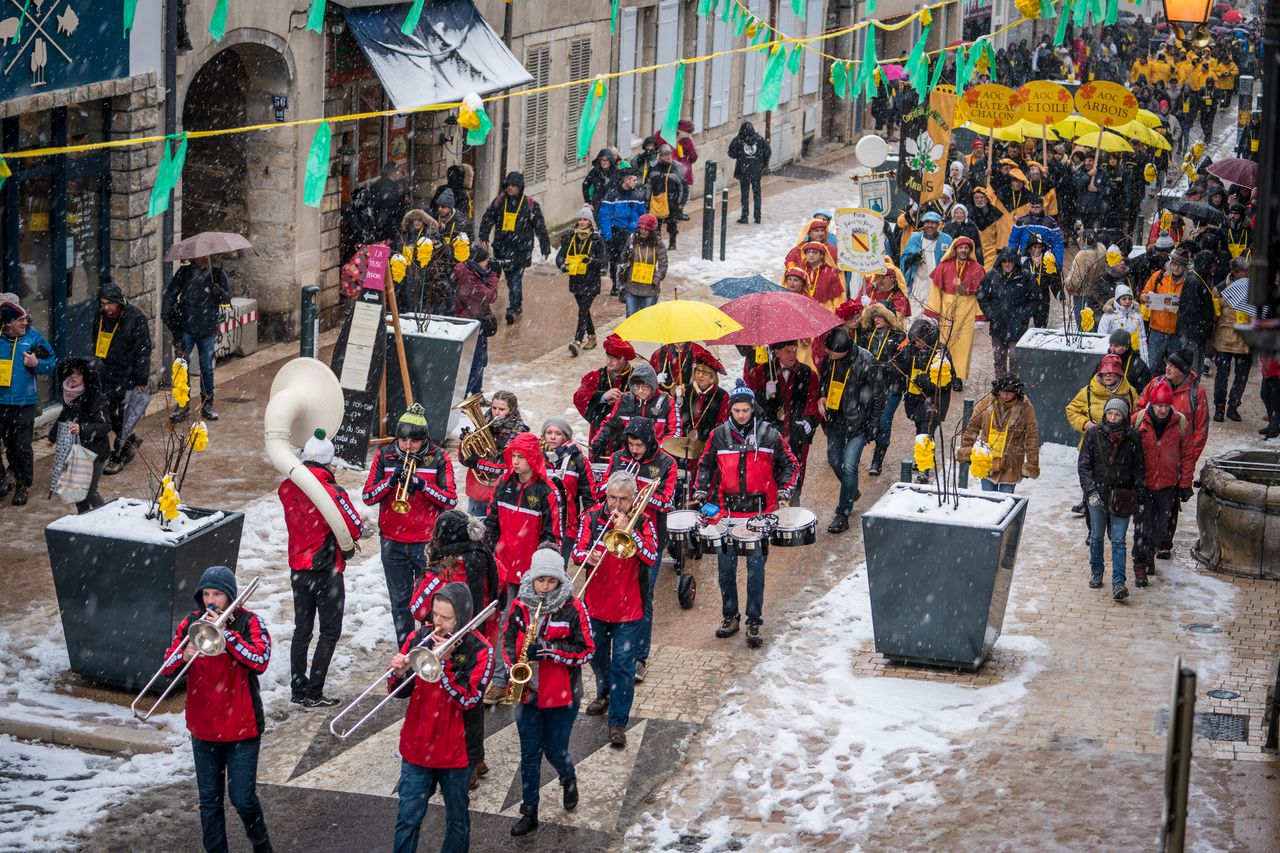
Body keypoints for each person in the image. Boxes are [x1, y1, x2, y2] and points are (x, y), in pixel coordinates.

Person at [162, 566, 273, 853]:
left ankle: (260, 843)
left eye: (218, 594)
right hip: (204, 727)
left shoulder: (250, 623)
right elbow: (166, 668)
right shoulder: (192, 624)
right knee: (209, 801)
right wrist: (182, 654)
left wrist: (228, 638)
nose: (211, 601)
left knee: (242, 798)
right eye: (207, 594)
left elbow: (260, 660)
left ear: (230, 597)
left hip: (242, 727)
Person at [693, 382, 797, 648]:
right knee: (725, 570)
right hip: (727, 513)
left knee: (755, 570)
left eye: (745, 410)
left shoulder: (769, 434)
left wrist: (785, 490)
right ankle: (730, 616)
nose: (740, 415)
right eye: (736, 410)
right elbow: (704, 463)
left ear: (753, 409)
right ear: (730, 410)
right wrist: (702, 489)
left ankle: (754, 621)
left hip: (759, 515)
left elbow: (790, 464)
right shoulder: (718, 435)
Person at [389, 582, 491, 853]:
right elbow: (399, 692)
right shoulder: (419, 637)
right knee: (407, 819)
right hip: (418, 746)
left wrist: (443, 666)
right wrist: (399, 674)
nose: (437, 622)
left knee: (457, 821)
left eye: (446, 618)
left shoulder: (480, 651)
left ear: (462, 617)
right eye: (435, 614)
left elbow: (469, 699)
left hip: (457, 753)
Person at [503, 549, 594, 835]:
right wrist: (511, 667)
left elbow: (587, 651)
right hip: (528, 693)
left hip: (562, 696)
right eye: (540, 580)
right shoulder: (520, 605)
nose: (544, 586)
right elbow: (506, 640)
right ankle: (529, 810)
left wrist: (551, 651)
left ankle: (567, 776)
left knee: (555, 751)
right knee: (529, 755)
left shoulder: (573, 608)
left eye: (551, 581)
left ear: (559, 581)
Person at [409, 510, 500, 791]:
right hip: (480, 640)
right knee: (472, 702)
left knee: (450, 704)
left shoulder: (441, 570)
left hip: (443, 642)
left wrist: (431, 579)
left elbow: (419, 608)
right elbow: (501, 588)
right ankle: (477, 758)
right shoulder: (485, 558)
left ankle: (459, 762)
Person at [279, 428, 364, 708]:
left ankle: (297, 688)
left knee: (301, 630)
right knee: (329, 631)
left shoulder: (287, 487)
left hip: (297, 569)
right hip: (325, 571)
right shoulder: (332, 493)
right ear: (329, 462)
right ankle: (314, 692)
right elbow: (356, 527)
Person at [362, 404, 458, 649]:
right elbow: (368, 496)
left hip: (427, 543)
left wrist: (424, 487)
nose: (407, 446)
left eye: (414, 441)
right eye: (403, 440)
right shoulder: (386, 455)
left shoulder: (438, 457)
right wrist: (390, 483)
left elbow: (450, 500)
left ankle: (428, 649)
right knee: (400, 603)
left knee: (429, 603)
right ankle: (406, 650)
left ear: (424, 438)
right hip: (392, 542)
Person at [591, 416, 677, 682]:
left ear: (649, 442)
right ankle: (606, 653)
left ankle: (639, 656)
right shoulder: (619, 458)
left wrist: (636, 493)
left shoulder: (666, 463)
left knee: (643, 597)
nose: (635, 450)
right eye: (631, 444)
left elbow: (666, 502)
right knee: (607, 590)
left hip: (646, 533)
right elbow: (600, 491)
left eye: (639, 445)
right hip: (612, 532)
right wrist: (616, 495)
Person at [578, 471, 658, 748]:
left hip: (630, 609)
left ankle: (617, 722)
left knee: (624, 667)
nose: (616, 505)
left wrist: (630, 531)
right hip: (596, 605)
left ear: (633, 499)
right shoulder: (590, 518)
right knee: (596, 656)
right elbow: (577, 551)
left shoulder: (644, 521)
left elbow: (651, 556)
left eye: (623, 500)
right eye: (612, 497)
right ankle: (604, 693)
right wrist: (588, 554)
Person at [483, 431, 562, 703]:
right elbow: (491, 523)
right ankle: (500, 678)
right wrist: (489, 554)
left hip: (530, 576)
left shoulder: (547, 491)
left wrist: (539, 572)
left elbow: (552, 536)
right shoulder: (503, 483)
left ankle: (522, 681)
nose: (515, 462)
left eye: (521, 457)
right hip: (502, 569)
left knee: (529, 628)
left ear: (533, 458)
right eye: (513, 456)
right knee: (501, 624)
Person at [1136, 348, 1209, 560]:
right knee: (1149, 498)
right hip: (1151, 453)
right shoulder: (1155, 383)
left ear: (1184, 371)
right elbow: (1140, 411)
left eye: (1174, 366)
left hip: (1175, 459)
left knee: (1170, 502)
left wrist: (1188, 459)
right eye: (1168, 363)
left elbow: (1200, 430)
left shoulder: (1196, 393)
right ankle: (1147, 542)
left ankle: (1164, 542)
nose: (1168, 368)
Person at [1077, 398, 1144, 601]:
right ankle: (1096, 572)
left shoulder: (1132, 438)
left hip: (1123, 496)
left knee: (1118, 540)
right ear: (1105, 414)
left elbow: (1139, 470)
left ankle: (1118, 582)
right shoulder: (1093, 435)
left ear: (1124, 416)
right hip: (1097, 495)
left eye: (1117, 414)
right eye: (1110, 413)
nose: (1113, 417)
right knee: (1096, 536)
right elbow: (1084, 466)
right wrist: (1090, 492)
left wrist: (1139, 497)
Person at [817, 328, 882, 533]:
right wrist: (822, 395)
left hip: (858, 422)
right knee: (835, 459)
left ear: (842, 351)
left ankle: (842, 512)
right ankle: (851, 490)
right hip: (836, 418)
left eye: (831, 352)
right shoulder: (830, 359)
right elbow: (823, 380)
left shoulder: (867, 360)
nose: (827, 354)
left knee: (849, 466)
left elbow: (879, 396)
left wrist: (873, 424)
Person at [1132, 381, 1195, 588]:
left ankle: (1150, 552)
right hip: (1143, 485)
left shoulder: (1180, 423)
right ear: (1152, 403)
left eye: (1166, 406)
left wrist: (1185, 483)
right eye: (1159, 405)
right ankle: (1140, 566)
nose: (1162, 410)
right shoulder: (1139, 420)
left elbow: (1187, 454)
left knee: (1159, 529)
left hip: (1167, 487)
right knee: (1142, 528)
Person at [91, 280, 152, 476]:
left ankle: (119, 456)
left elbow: (143, 350)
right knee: (107, 416)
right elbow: (96, 343)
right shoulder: (100, 317)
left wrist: (142, 380)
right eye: (103, 303)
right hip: (106, 374)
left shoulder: (135, 317)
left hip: (129, 376)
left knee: (126, 419)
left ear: (119, 302)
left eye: (110, 303)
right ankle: (130, 441)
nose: (106, 308)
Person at [747, 340, 819, 501]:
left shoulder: (806, 372)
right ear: (777, 352)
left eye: (795, 351)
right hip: (770, 432)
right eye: (788, 351)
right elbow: (751, 403)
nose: (793, 355)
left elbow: (812, 399)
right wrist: (764, 394)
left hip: (795, 432)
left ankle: (793, 505)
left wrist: (809, 420)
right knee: (769, 472)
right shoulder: (761, 372)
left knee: (795, 471)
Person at [477, 171, 552, 325]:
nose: (511, 189)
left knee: (515, 280)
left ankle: (514, 308)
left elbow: (540, 227)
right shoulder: (499, 202)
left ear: (520, 188)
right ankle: (486, 305)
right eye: (509, 186)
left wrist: (545, 247)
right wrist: (484, 236)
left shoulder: (530, 205)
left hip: (521, 250)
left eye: (514, 186)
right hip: (501, 248)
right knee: (493, 278)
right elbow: (488, 218)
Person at [0, 301, 55, 505]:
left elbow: (52, 362)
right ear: (8, 323)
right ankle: (2, 480)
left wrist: (36, 364)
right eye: (20, 320)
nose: (25, 323)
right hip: (1, 402)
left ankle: (23, 485)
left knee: (21, 447)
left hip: (25, 403)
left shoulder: (32, 338)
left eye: (25, 319)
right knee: (8, 445)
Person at [163, 255, 231, 421]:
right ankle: (182, 404)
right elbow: (170, 294)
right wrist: (166, 312)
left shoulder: (217, 274)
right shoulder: (184, 273)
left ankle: (207, 404)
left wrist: (218, 291)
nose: (202, 258)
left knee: (206, 368)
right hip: (187, 326)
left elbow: (227, 298)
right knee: (181, 367)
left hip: (207, 329)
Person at [957, 373, 1040, 493]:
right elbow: (973, 426)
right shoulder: (987, 402)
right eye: (1002, 391)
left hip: (1011, 462)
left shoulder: (1025, 407)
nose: (1005, 395)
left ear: (1016, 392)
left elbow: (1031, 437)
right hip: (986, 459)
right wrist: (966, 449)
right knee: (988, 502)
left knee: (1004, 503)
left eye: (1009, 392)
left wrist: (1032, 464)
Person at [47, 358, 111, 514]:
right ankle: (83, 521)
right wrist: (53, 437)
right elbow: (64, 416)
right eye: (72, 373)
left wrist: (82, 428)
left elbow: (106, 426)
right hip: (76, 452)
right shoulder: (70, 395)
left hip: (95, 452)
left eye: (78, 374)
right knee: (77, 492)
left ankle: (105, 519)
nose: (73, 377)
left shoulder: (97, 399)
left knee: (89, 491)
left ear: (87, 377)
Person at [893, 318, 959, 459]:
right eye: (913, 339)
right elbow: (904, 369)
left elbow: (947, 380)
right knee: (920, 430)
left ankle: (924, 466)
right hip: (915, 398)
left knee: (926, 431)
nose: (916, 343)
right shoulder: (912, 349)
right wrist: (899, 360)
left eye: (918, 339)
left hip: (933, 400)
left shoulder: (940, 352)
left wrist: (924, 380)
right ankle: (921, 459)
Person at [926, 236, 985, 388]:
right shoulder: (944, 266)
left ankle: (957, 377)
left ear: (970, 250)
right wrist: (934, 312)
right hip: (947, 309)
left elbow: (981, 295)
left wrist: (979, 316)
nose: (963, 250)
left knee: (963, 346)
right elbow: (935, 291)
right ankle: (944, 373)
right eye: (961, 247)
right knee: (944, 344)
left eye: (966, 248)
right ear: (955, 249)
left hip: (967, 310)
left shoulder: (977, 269)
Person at [589, 361, 681, 458]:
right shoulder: (624, 399)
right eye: (637, 387)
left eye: (645, 387)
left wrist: (656, 450)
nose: (640, 390)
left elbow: (675, 432)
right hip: (627, 456)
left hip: (656, 458)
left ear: (653, 385)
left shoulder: (667, 401)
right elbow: (609, 425)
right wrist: (598, 441)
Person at [857, 301, 907, 476]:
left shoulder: (900, 336)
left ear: (888, 316)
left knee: (884, 421)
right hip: (871, 386)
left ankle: (877, 460)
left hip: (892, 386)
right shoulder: (867, 334)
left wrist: (885, 366)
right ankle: (855, 455)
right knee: (864, 419)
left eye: (880, 315)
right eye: (874, 315)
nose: (876, 319)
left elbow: (904, 362)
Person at [459, 390, 528, 517]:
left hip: (504, 495)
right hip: (478, 492)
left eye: (502, 409)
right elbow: (465, 460)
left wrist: (478, 464)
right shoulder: (483, 424)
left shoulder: (520, 433)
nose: (496, 412)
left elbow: (510, 468)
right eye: (494, 407)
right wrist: (465, 446)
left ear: (512, 410)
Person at [977, 248, 1037, 378]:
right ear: (1000, 262)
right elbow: (982, 296)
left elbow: (1034, 299)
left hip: (1018, 326)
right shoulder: (991, 276)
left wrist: (1024, 315)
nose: (1007, 264)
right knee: (999, 359)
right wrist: (990, 313)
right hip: (998, 326)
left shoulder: (1025, 277)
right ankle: (1000, 388)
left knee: (1015, 359)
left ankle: (1014, 389)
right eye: (1004, 261)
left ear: (1015, 262)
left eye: (1010, 261)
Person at [556, 206, 608, 357]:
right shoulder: (570, 237)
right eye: (580, 219)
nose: (582, 222)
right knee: (584, 311)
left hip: (591, 281)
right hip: (576, 280)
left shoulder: (596, 239)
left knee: (583, 310)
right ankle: (592, 337)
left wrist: (591, 260)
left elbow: (604, 260)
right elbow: (560, 256)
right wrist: (562, 265)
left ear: (591, 222)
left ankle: (577, 341)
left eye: (585, 219)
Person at [542, 416, 594, 557]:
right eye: (549, 433)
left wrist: (590, 527)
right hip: (539, 524)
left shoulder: (578, 460)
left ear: (566, 437)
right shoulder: (536, 457)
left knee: (558, 568)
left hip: (567, 525)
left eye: (558, 434)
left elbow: (589, 497)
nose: (552, 437)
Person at [453, 244, 500, 396]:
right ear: (478, 261)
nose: (488, 264)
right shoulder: (468, 277)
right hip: (471, 325)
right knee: (474, 363)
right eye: (486, 261)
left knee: (480, 362)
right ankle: (463, 399)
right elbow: (489, 295)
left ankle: (476, 394)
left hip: (476, 323)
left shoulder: (472, 271)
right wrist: (493, 275)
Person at [1066, 354, 1140, 450]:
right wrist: (1085, 423)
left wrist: (1128, 428)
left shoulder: (1130, 392)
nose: (1108, 375)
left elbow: (1139, 414)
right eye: (1105, 372)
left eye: (1112, 372)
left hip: (1121, 449)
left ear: (1119, 374)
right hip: (1092, 447)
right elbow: (1071, 410)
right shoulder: (1088, 391)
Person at [1211, 257, 1252, 422]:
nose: (1248, 273)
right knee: (1222, 375)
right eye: (1244, 271)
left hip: (1245, 341)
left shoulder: (1252, 288)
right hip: (1225, 340)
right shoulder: (1220, 289)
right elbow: (1214, 315)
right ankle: (1220, 407)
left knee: (1241, 376)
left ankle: (1233, 406)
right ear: (1235, 271)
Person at [573, 334, 635, 437]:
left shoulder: (636, 378)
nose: (609, 361)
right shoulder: (595, 376)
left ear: (624, 359)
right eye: (608, 356)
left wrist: (623, 401)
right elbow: (579, 397)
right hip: (599, 434)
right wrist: (602, 397)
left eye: (614, 358)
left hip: (627, 436)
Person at [598, 170, 647, 292]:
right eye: (634, 180)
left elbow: (643, 214)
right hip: (616, 232)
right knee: (616, 260)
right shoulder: (612, 195)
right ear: (626, 180)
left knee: (629, 260)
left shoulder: (637, 196)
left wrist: (641, 230)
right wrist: (608, 235)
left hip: (632, 232)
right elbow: (604, 216)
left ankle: (625, 286)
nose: (636, 182)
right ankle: (616, 284)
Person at [618, 213, 669, 317]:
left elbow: (663, 265)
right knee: (631, 319)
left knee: (646, 320)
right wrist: (628, 253)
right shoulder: (632, 240)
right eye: (641, 228)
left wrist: (656, 279)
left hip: (650, 288)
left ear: (652, 231)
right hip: (632, 286)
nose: (643, 231)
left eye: (646, 229)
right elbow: (623, 258)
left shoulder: (658, 244)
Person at [678, 346, 730, 446]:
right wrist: (678, 399)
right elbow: (675, 418)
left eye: (705, 373)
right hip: (683, 444)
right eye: (698, 371)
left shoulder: (722, 396)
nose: (700, 375)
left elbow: (721, 425)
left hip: (709, 444)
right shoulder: (685, 390)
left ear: (712, 376)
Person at [901, 211, 953, 305]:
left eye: (933, 223)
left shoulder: (947, 239)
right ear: (924, 224)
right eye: (927, 222)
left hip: (937, 282)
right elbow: (904, 259)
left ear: (937, 224)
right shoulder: (915, 239)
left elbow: (952, 261)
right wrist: (911, 259)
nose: (930, 225)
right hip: (918, 281)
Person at [728, 121, 770, 224]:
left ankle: (744, 216)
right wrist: (763, 164)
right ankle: (757, 216)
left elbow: (731, 153)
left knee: (745, 194)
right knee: (757, 194)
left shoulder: (739, 140)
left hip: (744, 171)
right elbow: (768, 151)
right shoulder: (759, 140)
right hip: (756, 171)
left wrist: (740, 156)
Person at [1098, 285, 1150, 368]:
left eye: (1130, 299)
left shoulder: (1137, 315)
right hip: (1113, 356)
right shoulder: (1108, 315)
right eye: (1124, 299)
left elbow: (1142, 339)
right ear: (1118, 300)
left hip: (1132, 356)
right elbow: (1102, 337)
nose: (1127, 301)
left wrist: (1145, 362)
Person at [647, 145, 687, 249]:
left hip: (672, 201)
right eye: (664, 155)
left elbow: (683, 187)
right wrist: (647, 200)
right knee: (656, 224)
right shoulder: (653, 166)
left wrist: (681, 202)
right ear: (660, 156)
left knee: (672, 223)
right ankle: (658, 243)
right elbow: (648, 185)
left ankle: (672, 242)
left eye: (669, 154)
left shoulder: (677, 167)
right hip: (657, 200)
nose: (667, 157)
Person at [1103, 327, 1153, 399]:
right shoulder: (1104, 361)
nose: (1112, 350)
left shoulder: (1138, 366)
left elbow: (1144, 392)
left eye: (1117, 346)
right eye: (1111, 345)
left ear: (1126, 347)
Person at [581, 148, 618, 214]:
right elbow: (585, 185)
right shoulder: (595, 171)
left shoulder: (616, 172)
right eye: (602, 160)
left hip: (611, 205)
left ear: (610, 161)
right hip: (596, 204)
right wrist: (588, 202)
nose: (604, 162)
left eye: (606, 160)